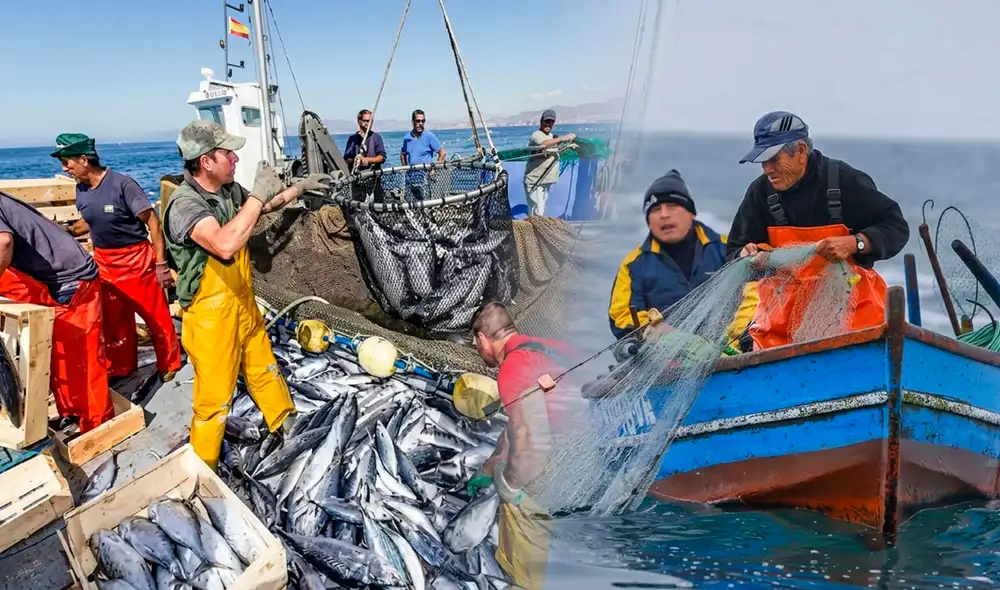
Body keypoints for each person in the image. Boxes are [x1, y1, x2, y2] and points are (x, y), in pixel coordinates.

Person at [161, 120, 332, 469]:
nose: (236, 158)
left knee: (263, 366)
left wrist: (299, 188)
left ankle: (284, 421)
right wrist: (255, 195)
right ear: (206, 161)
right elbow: (224, 245)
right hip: (209, 317)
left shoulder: (226, 191)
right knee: (214, 400)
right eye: (228, 153)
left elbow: (261, 209)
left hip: (241, 302)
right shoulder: (184, 205)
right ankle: (203, 467)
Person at [725, 111, 910, 350]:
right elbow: (732, 253)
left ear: (801, 151)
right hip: (781, 326)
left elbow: (895, 226)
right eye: (762, 161)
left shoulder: (842, 180)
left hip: (854, 316)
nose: (767, 169)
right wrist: (745, 255)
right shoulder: (760, 193)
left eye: (774, 159)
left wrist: (856, 243)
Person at [466, 301, 583, 590]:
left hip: (567, 451)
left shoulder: (512, 371)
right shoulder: (543, 347)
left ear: (482, 339)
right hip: (588, 435)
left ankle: (523, 580)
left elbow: (532, 441)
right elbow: (520, 423)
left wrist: (510, 484)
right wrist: (490, 465)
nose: (479, 352)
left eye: (476, 345)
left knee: (518, 507)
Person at [52, 133, 182, 382]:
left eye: (67, 162)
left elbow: (152, 222)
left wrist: (161, 264)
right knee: (115, 321)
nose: (64, 168)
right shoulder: (81, 189)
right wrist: (69, 231)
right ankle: (122, 366)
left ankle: (170, 361)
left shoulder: (123, 185)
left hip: (136, 260)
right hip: (104, 262)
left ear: (83, 159)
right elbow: (89, 220)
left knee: (155, 316)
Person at [0, 191, 112, 433]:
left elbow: (4, 243)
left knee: (83, 359)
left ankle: (97, 425)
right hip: (52, 277)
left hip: (71, 280)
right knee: (59, 354)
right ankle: (72, 413)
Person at [608, 169, 727, 340]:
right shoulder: (633, 265)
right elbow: (621, 315)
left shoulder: (727, 249)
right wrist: (652, 329)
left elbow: (754, 296)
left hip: (728, 350)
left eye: (672, 206)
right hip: (663, 357)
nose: (664, 215)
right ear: (648, 221)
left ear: (691, 212)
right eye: (655, 209)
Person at [523, 109, 576, 217]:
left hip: (546, 180)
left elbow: (556, 147)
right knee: (537, 212)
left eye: (551, 122)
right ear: (541, 121)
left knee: (540, 210)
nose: (548, 124)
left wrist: (569, 145)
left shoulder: (552, 137)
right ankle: (536, 231)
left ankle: (537, 230)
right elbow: (544, 145)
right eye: (546, 121)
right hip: (535, 180)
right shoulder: (537, 135)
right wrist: (563, 138)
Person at [400, 109, 445, 201]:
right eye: (418, 121)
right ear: (413, 122)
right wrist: (405, 168)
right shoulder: (407, 138)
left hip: (424, 177)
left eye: (423, 121)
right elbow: (403, 153)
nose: (420, 123)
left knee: (425, 204)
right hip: (410, 177)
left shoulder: (429, 136)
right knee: (410, 204)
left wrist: (434, 168)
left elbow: (442, 153)